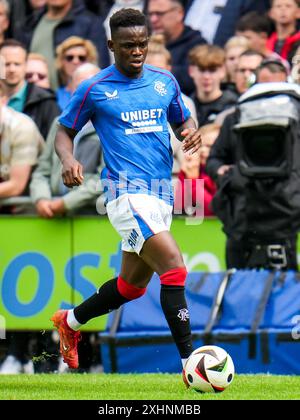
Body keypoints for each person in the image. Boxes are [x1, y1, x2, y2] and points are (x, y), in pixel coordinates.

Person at [51, 8, 202, 371]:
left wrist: (190, 131)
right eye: (128, 45)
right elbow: (63, 131)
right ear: (111, 45)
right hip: (125, 194)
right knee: (174, 269)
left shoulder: (165, 81)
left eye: (142, 44)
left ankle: (69, 322)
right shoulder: (95, 87)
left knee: (131, 287)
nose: (137, 52)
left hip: (161, 194)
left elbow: (183, 119)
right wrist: (67, 159)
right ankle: (191, 362)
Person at [13, 0, 110, 89]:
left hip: (75, 99)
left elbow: (102, 69)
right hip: (35, 99)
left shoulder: (90, 23)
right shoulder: (31, 23)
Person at [0, 39, 60, 139]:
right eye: (6, 64)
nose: (12, 69)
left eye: (17, 64)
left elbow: (53, 144)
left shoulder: (45, 102)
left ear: (25, 65)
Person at [147, 0, 207, 95]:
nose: (153, 19)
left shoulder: (197, 44)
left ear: (179, 13)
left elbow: (191, 81)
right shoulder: (145, 43)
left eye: (159, 13)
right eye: (150, 14)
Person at [174, 123, 219, 217]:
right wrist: (185, 174)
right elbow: (179, 207)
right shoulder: (193, 167)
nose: (202, 150)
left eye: (209, 146)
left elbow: (211, 211)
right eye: (200, 145)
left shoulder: (223, 171)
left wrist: (193, 180)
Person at [188, 44, 238, 127]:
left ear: (223, 71)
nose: (207, 77)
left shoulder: (232, 105)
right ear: (191, 71)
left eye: (212, 70)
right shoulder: (185, 105)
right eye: (202, 70)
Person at [55, 36, 98, 110]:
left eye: (81, 58)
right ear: (62, 61)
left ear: (90, 60)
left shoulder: (98, 92)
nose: (75, 61)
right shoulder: (55, 96)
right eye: (70, 57)